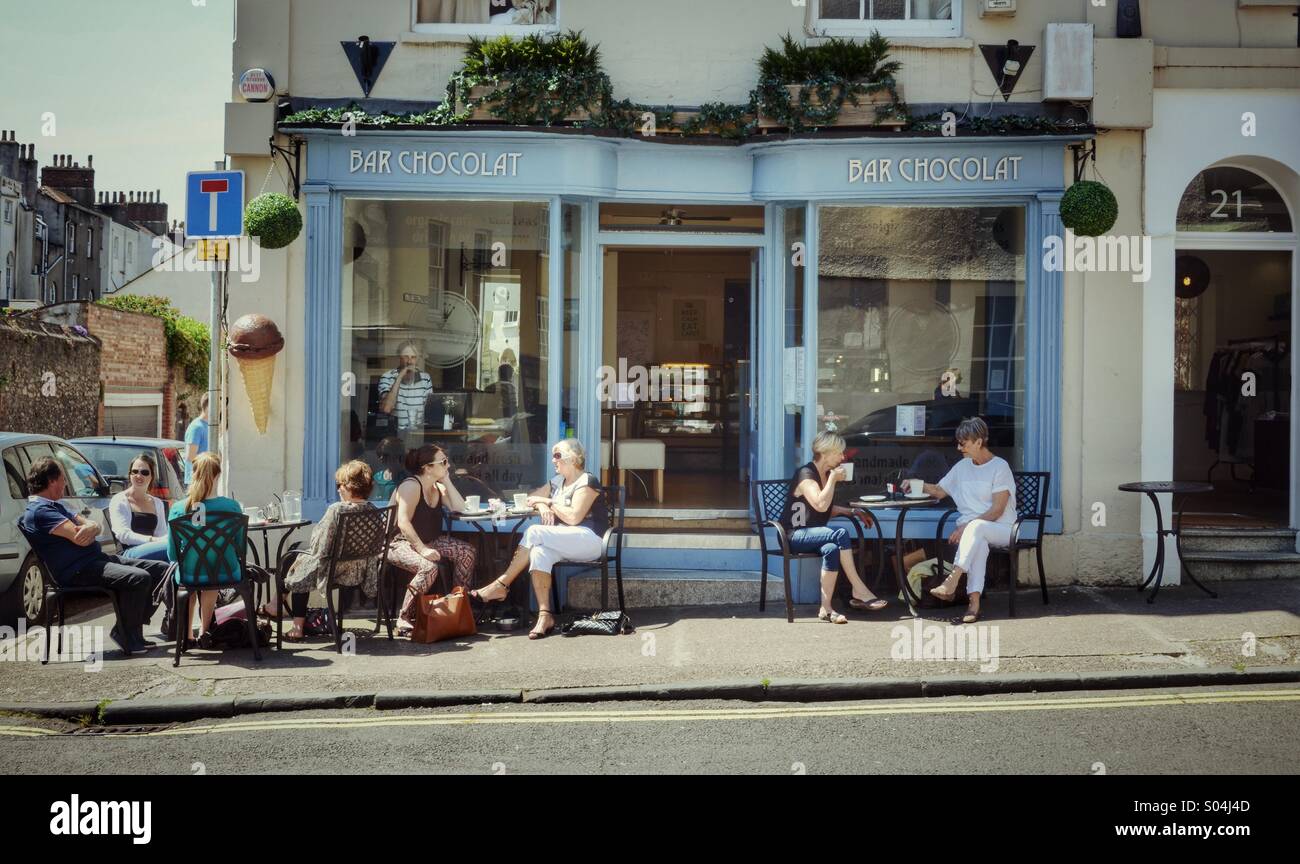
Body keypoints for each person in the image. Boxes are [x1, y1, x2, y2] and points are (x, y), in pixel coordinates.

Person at [19, 457, 170, 655]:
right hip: (77, 570)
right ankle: (125, 634)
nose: (65, 484)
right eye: (63, 479)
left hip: (95, 560)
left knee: (161, 570)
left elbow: (92, 526)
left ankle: (131, 629)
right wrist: (88, 529)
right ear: (51, 481)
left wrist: (93, 527)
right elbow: (78, 536)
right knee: (138, 578)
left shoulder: (58, 505)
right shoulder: (41, 512)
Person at [470, 438, 607, 640]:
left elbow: (573, 517)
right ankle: (545, 615)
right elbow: (531, 497)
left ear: (575, 458)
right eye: (553, 455)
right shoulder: (557, 482)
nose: (553, 460)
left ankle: (502, 584)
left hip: (591, 540)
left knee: (534, 531)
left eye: (558, 455)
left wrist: (547, 501)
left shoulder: (587, 481)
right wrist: (542, 505)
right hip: (566, 540)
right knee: (538, 552)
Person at [908, 416, 1016, 625]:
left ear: (979, 441)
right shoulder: (963, 466)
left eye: (963, 443)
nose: (959, 448)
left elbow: (997, 510)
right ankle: (973, 606)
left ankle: (952, 580)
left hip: (1004, 528)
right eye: (958, 442)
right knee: (979, 542)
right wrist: (917, 483)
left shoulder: (999, 467)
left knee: (975, 528)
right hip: (976, 532)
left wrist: (966, 526)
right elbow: (939, 491)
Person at [262, 461, 381, 641]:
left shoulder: (337, 510)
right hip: (360, 570)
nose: (338, 489)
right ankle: (275, 604)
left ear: (351, 486)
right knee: (297, 549)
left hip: (335, 570)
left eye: (341, 485)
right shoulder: (373, 510)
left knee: (297, 562)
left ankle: (295, 625)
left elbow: (319, 546)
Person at [780, 431, 887, 623]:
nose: (842, 457)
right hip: (794, 535)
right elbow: (820, 504)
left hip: (814, 534)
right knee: (840, 533)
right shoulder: (806, 474)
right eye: (839, 453)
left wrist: (852, 512)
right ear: (827, 452)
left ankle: (826, 609)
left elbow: (825, 508)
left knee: (831, 549)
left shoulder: (826, 474)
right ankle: (859, 589)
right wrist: (832, 481)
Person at [386, 444, 477, 636]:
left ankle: (458, 605)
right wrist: (422, 549)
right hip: (399, 543)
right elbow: (402, 522)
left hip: (430, 540)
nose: (448, 465)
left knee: (467, 551)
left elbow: (460, 508)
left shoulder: (438, 487)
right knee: (428, 568)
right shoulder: (411, 486)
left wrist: (448, 481)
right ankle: (404, 618)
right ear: (427, 467)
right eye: (443, 462)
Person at [168, 453, 244, 647]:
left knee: (193, 574)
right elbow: (240, 548)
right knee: (212, 573)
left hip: (190, 574)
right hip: (226, 572)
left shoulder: (179, 508)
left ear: (193, 475)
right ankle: (204, 631)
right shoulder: (232, 507)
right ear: (218, 475)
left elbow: (172, 555)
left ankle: (187, 636)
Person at [108, 454, 170, 562]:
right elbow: (123, 535)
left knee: (177, 549)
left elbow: (162, 534)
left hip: (153, 549)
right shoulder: (119, 500)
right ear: (130, 474)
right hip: (128, 552)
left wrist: (159, 542)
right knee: (169, 548)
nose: (138, 475)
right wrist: (152, 540)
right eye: (135, 471)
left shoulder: (157, 503)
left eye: (144, 472)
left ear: (151, 476)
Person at [377, 341, 434, 433]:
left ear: (417, 359)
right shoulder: (387, 377)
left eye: (413, 357)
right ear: (399, 357)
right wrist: (400, 376)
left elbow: (430, 411)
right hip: (396, 434)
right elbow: (387, 408)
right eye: (406, 357)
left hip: (419, 433)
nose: (409, 361)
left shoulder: (425, 378)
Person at [370, 436, 408, 503]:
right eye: (380, 454)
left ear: (395, 455)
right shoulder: (378, 476)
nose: (381, 458)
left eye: (385, 455)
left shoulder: (405, 478)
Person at [184, 393, 210, 484]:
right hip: (196, 482)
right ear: (208, 407)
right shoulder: (196, 427)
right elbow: (190, 457)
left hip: (206, 480)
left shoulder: (209, 426)